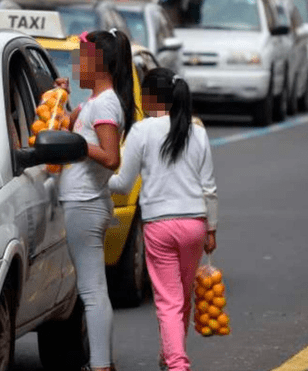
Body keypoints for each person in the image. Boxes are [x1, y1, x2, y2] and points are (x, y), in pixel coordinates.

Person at [108, 68, 217, 371]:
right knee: (182, 298)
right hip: (195, 225)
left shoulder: (141, 132)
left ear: (149, 98)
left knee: (168, 301)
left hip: (159, 226)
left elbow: (123, 184)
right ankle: (169, 355)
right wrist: (212, 229)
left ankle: (177, 363)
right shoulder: (197, 131)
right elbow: (209, 188)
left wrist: (96, 180)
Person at [59, 28, 135, 371]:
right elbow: (62, 129)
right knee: (92, 290)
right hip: (85, 202)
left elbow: (110, 157)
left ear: (98, 63)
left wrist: (79, 146)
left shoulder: (105, 103)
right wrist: (62, 100)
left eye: (82, 56)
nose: (77, 63)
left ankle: (101, 366)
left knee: (92, 292)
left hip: (85, 203)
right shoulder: (92, 102)